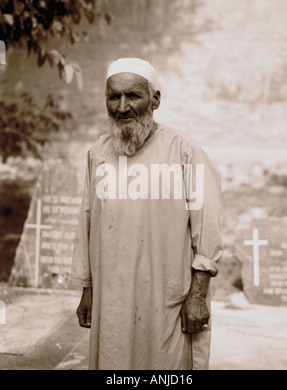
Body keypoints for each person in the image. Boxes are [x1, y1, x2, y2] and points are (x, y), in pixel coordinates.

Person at [71, 58, 223, 370]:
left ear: (155, 99)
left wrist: (197, 296)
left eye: (133, 96)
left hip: (167, 298)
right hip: (110, 300)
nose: (122, 108)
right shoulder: (97, 153)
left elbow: (207, 227)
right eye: (114, 97)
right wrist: (87, 291)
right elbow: (86, 225)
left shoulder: (183, 151)